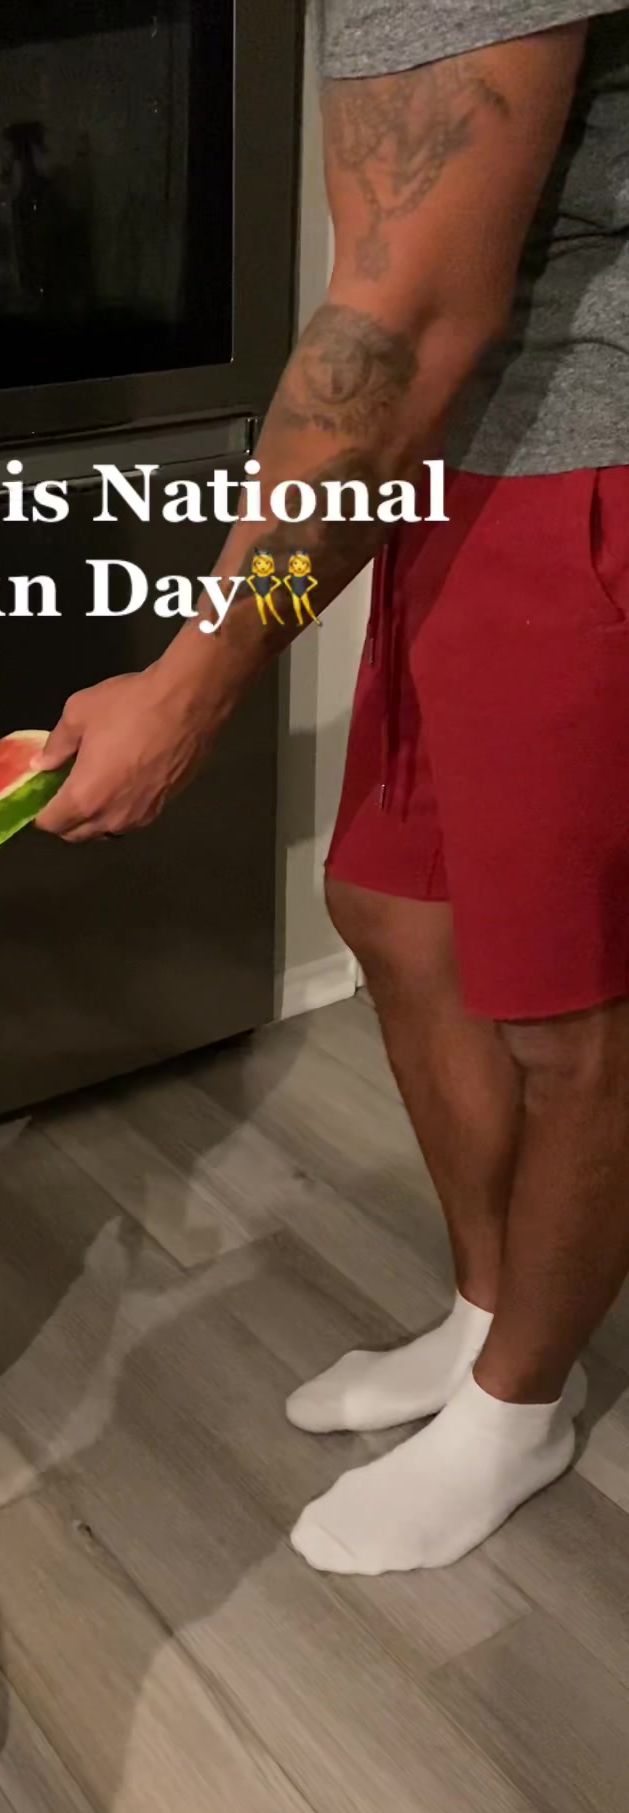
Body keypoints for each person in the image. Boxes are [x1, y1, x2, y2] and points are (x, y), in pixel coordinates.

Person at [33, 3, 629, 1574]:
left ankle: (523, 1405)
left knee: (569, 1011)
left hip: (594, 470)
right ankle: (489, 1315)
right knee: (390, 905)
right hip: (457, 466)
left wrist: (187, 687)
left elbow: (408, 319)